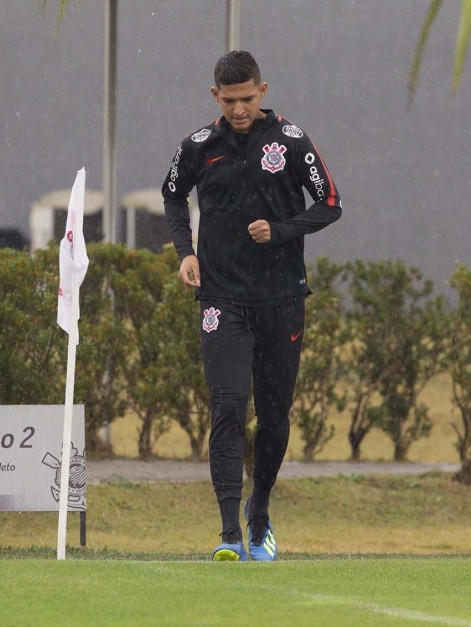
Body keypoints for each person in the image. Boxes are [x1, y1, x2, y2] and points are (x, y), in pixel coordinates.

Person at [161, 50, 341, 561]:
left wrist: (280, 230)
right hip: (220, 297)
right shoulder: (199, 145)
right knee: (227, 406)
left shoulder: (291, 140)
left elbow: (331, 203)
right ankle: (227, 533)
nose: (239, 109)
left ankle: (258, 512)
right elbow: (173, 197)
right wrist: (186, 252)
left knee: (275, 415)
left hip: (283, 298)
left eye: (247, 99)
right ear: (215, 97)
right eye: (229, 100)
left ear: (263, 91)